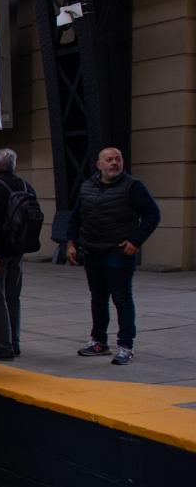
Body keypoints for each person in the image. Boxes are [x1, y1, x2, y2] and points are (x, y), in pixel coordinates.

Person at [66, 147, 160, 366]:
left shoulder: (133, 187)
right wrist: (70, 243)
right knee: (98, 298)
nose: (114, 163)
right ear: (99, 165)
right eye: (109, 160)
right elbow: (76, 217)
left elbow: (152, 215)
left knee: (121, 298)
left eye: (118, 159)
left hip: (117, 252)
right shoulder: (87, 186)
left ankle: (126, 345)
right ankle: (98, 341)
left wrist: (135, 241)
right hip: (92, 251)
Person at [0, 148, 35, 360]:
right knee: (13, 297)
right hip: (17, 251)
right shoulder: (25, 185)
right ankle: (14, 342)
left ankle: (3, 345)